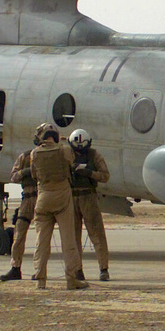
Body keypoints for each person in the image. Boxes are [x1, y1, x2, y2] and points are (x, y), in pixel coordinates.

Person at [29, 123, 87, 290]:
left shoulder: (34, 154)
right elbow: (72, 162)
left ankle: (40, 279)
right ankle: (71, 279)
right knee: (68, 240)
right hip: (62, 196)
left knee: (41, 241)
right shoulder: (64, 150)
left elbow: (34, 174)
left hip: (43, 197)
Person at [0, 129, 43, 281]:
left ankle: (40, 270)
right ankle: (15, 267)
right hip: (27, 199)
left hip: (42, 197)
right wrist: (26, 172)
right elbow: (13, 176)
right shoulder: (25, 157)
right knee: (19, 233)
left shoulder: (49, 158)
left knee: (42, 236)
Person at [68, 129, 111, 281]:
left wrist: (89, 173)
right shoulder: (67, 155)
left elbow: (105, 176)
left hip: (88, 197)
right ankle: (78, 270)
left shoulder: (94, 155)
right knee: (73, 237)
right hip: (71, 197)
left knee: (97, 234)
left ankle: (103, 268)